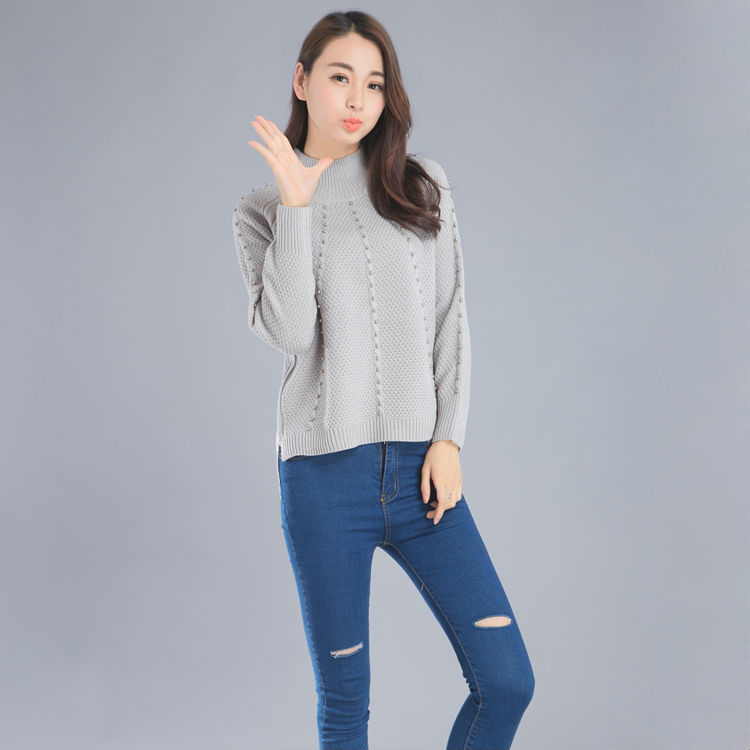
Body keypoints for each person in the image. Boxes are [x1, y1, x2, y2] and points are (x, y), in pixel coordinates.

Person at [233, 10, 534, 749]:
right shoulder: (260, 210)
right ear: (302, 80)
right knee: (346, 705)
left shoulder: (421, 184)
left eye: (374, 83)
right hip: (321, 480)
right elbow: (290, 334)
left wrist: (449, 439)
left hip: (420, 472)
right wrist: (298, 209)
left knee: (506, 682)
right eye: (340, 77)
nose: (357, 99)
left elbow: (450, 318)